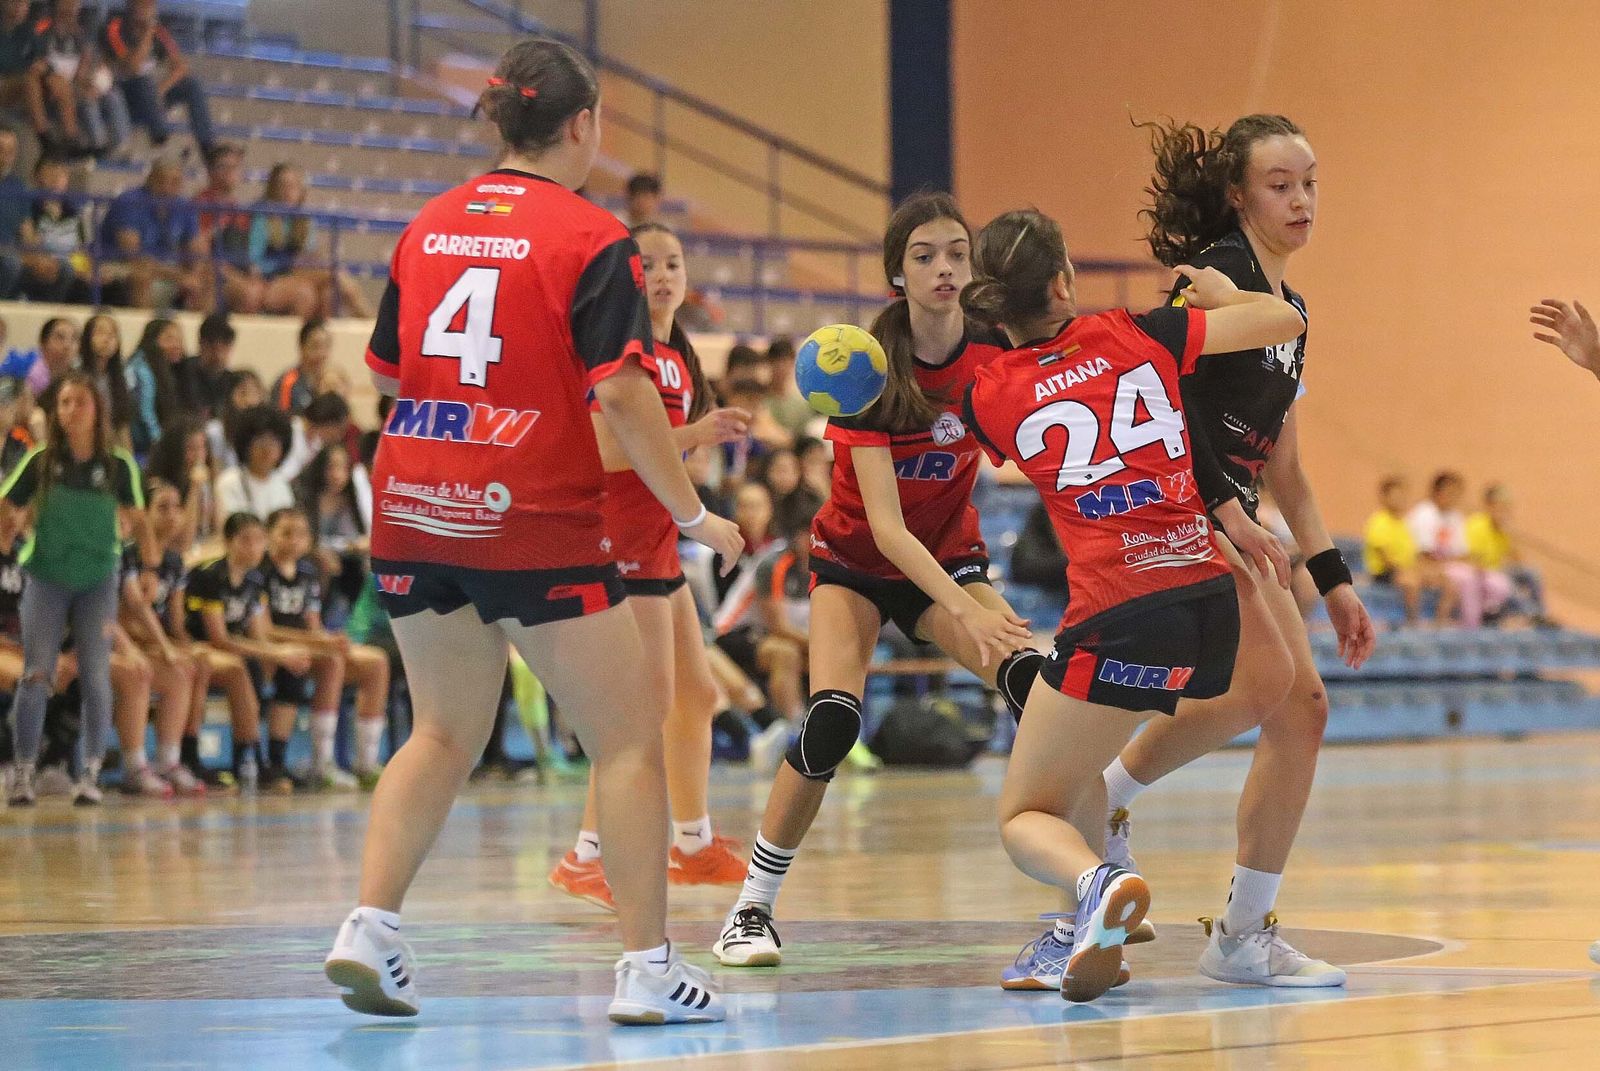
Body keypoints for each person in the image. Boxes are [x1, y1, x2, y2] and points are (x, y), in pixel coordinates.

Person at [322, 38, 743, 1025]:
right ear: (582, 125)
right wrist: (692, 514)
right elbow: (629, 401)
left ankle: (370, 930)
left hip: (414, 507)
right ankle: (646, 973)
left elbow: (385, 374)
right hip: (528, 517)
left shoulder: (428, 226)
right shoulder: (592, 238)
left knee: (438, 731)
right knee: (629, 739)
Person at [961, 208, 1308, 1002]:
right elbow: (1282, 318)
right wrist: (1219, 293)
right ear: (1063, 282)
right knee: (1078, 767)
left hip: (1117, 607)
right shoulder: (1137, 330)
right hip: (1205, 593)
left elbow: (1005, 421)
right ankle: (1091, 938)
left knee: (1023, 815)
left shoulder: (991, 393)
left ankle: (1096, 883)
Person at [711, 191, 1041, 969]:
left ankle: (1096, 877)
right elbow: (887, 529)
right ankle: (750, 910)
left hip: (948, 561)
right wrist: (968, 610)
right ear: (898, 272)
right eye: (924, 255)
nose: (944, 268)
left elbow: (1035, 451)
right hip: (859, 564)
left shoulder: (994, 355)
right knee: (830, 720)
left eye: (957, 252)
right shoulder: (862, 364)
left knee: (1039, 682)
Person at [1089, 116, 1375, 989]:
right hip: (1181, 510)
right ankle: (1106, 807)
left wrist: (1334, 580)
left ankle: (1231, 920)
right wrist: (1218, 512)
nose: (1301, 200)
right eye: (1281, 184)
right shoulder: (1209, 285)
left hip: (1242, 515)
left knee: (1297, 705)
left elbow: (1284, 461)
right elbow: (1158, 407)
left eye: (1311, 182)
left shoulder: (1290, 311)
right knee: (1277, 692)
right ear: (1240, 196)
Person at [548, 220, 754, 908]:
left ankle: (691, 845)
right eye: (649, 264)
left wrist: (700, 438)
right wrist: (695, 434)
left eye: (674, 262)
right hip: (616, 541)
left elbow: (659, 453)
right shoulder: (618, 349)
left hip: (658, 542)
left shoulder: (678, 355)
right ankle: (587, 855)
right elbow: (608, 448)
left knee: (697, 694)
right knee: (638, 710)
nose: (663, 274)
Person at [3, 371, 154, 805]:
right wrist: (10, 531)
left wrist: (150, 569)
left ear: (98, 410)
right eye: (64, 403)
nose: (70, 411)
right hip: (46, 577)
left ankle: (89, 773)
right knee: (36, 675)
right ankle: (24, 770)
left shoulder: (117, 464)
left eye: (80, 403)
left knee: (94, 676)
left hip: (98, 581)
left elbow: (140, 522)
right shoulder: (40, 461)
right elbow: (5, 505)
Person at [262, 506, 388, 790]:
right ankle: (322, 763)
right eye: (285, 533)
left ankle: (366, 762)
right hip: (273, 648)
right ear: (269, 535)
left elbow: (313, 624)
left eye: (301, 534)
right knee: (331, 661)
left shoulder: (307, 574)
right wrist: (322, 642)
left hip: (306, 646)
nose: (294, 540)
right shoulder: (262, 573)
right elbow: (264, 630)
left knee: (376, 662)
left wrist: (332, 640)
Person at [117, 475, 207, 795]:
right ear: (143, 513)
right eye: (162, 508)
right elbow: (127, 615)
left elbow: (177, 621)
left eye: (177, 508)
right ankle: (134, 766)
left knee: (186, 671)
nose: (172, 515)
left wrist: (185, 647)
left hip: (149, 641)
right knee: (146, 671)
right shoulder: (126, 552)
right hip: (118, 641)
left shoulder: (173, 561)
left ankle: (170, 760)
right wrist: (163, 647)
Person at [251, 163, 373, 319]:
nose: (288, 191)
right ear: (273, 188)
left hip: (302, 273)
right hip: (273, 277)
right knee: (332, 278)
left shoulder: (304, 220)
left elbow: (310, 255)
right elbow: (255, 261)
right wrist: (288, 263)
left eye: (294, 186)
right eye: (283, 185)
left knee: (330, 292)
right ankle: (371, 321)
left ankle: (359, 327)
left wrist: (304, 262)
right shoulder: (263, 217)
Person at [102, 0, 214, 154]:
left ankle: (207, 145)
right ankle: (160, 138)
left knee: (192, 84)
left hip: (151, 96)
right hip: (125, 94)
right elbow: (132, 68)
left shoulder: (159, 31)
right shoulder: (115, 28)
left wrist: (161, 89)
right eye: (141, 5)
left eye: (149, 5)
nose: (145, 9)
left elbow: (181, 67)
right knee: (143, 82)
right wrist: (147, 34)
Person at [99, 157, 204, 309]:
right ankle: (147, 329)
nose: (169, 188)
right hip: (119, 265)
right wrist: (178, 275)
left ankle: (200, 329)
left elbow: (197, 250)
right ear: (151, 179)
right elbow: (133, 256)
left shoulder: (184, 206)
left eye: (176, 182)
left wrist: (195, 273)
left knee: (209, 276)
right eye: (164, 181)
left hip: (169, 270)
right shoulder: (129, 202)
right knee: (142, 276)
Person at [1407, 472, 1502, 627]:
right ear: (1437, 491)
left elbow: (1462, 552)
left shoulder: (1455, 517)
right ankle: (1470, 626)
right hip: (1428, 567)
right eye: (1450, 493)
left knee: (1494, 581)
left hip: (1450, 565)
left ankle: (1489, 617)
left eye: (1456, 494)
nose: (1453, 498)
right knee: (1467, 579)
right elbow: (1424, 554)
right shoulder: (1424, 514)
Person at [37, 0, 128, 158]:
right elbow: (37, 61)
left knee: (113, 96)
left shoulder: (80, 34)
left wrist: (89, 83)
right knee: (87, 102)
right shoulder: (43, 28)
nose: (72, 7)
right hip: (52, 86)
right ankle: (97, 147)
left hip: (76, 83)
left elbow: (86, 66)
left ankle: (121, 146)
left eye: (75, 4)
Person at [1362, 476, 1455, 625]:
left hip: (1407, 569)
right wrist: (1407, 570)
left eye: (1401, 495)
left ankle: (1439, 624)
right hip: (1385, 572)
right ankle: (1413, 623)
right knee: (1412, 582)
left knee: (1448, 582)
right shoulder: (1378, 521)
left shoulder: (1406, 523)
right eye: (1394, 496)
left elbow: (1415, 553)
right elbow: (1385, 558)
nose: (1399, 500)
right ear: (1384, 498)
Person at [1466, 484, 1547, 624]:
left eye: (1507, 508)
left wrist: (1510, 534)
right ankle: (1533, 615)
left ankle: (1540, 612)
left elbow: (1519, 560)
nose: (1505, 512)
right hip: (1483, 573)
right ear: (1489, 506)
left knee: (1532, 573)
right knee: (1505, 582)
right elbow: (1473, 560)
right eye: (1501, 507)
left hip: (1497, 570)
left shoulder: (1502, 529)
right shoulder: (1476, 525)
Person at [18, 153, 91, 303]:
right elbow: (27, 245)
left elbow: (80, 250)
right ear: (37, 177)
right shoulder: (29, 209)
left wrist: (85, 269)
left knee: (106, 284)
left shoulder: (74, 213)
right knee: (64, 270)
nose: (56, 180)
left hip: (70, 267)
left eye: (61, 174)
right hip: (41, 266)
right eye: (51, 174)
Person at [214, 404, 295, 525]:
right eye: (260, 441)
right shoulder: (229, 481)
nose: (267, 449)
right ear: (246, 444)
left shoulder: (281, 483)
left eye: (274, 442)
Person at [123, 317, 182, 455]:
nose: (177, 345)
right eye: (169, 339)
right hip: (140, 448)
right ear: (152, 340)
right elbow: (145, 414)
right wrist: (162, 446)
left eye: (179, 339)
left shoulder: (171, 371)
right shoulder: (140, 368)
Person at [272, 318, 332, 416]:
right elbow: (280, 418)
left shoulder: (332, 382)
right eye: (315, 346)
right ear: (302, 347)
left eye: (326, 346)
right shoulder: (288, 382)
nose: (321, 353)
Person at [192, 312, 236, 419]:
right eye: (213, 348)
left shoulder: (232, 381)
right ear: (201, 344)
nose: (218, 355)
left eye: (224, 348)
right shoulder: (182, 375)